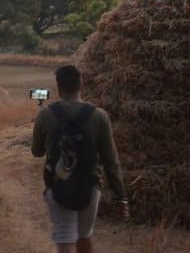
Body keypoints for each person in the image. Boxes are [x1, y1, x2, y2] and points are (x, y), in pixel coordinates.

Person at [32, 65, 128, 253]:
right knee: (84, 234)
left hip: (58, 185)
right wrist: (121, 196)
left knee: (65, 235)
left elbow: (36, 152)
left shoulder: (45, 114)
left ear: (58, 86)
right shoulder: (99, 116)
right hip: (90, 186)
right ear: (80, 84)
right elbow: (111, 161)